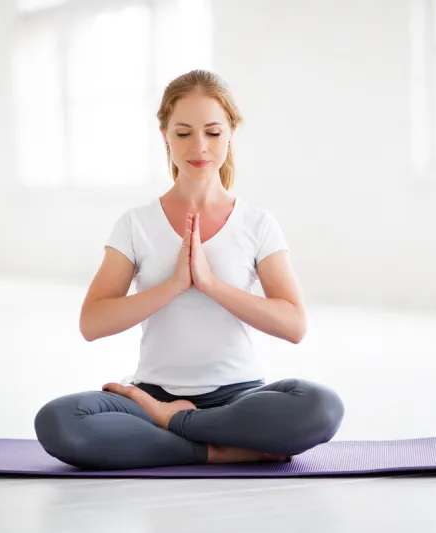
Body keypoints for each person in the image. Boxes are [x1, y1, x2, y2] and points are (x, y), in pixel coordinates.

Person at [34, 69, 345, 470]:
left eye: (213, 132)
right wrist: (176, 284)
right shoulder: (136, 223)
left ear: (232, 131)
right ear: (163, 133)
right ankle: (214, 447)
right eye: (183, 133)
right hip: (150, 398)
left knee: (321, 408)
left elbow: (294, 325)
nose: (199, 147)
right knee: (59, 423)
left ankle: (179, 425)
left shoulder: (257, 224)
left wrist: (211, 284)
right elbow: (92, 323)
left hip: (239, 400)